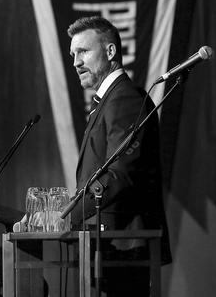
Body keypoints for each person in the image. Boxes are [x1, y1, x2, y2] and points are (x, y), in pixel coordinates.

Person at [67, 16, 171, 296]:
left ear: (110, 52)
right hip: (108, 243)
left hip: (124, 242)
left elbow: (120, 174)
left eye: (84, 52)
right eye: (73, 54)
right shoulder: (110, 100)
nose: (76, 62)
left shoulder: (124, 99)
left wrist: (65, 215)